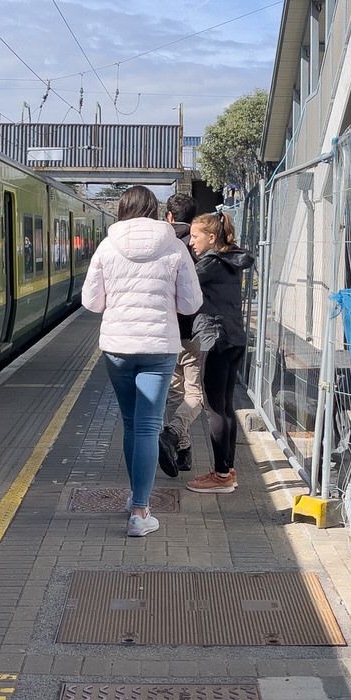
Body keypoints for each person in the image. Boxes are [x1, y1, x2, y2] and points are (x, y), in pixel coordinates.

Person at [81, 186, 202, 537]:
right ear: (155, 211)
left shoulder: (107, 246)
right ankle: (140, 511)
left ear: (121, 210)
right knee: (149, 425)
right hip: (159, 347)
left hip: (118, 347)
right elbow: (191, 303)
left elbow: (91, 301)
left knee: (132, 423)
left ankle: (136, 498)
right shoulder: (175, 246)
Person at [184, 210, 253, 494]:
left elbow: (182, 281)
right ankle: (228, 470)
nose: (191, 242)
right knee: (225, 408)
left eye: (195, 236)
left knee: (215, 408)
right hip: (233, 338)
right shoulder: (230, 260)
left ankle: (222, 474)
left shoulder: (210, 263)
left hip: (216, 339)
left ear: (212, 238)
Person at [158, 192, 203, 479]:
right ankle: (174, 434)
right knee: (195, 392)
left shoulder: (161, 243)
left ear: (170, 217)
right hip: (194, 329)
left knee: (175, 392)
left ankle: (183, 451)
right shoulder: (199, 243)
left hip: (166, 330)